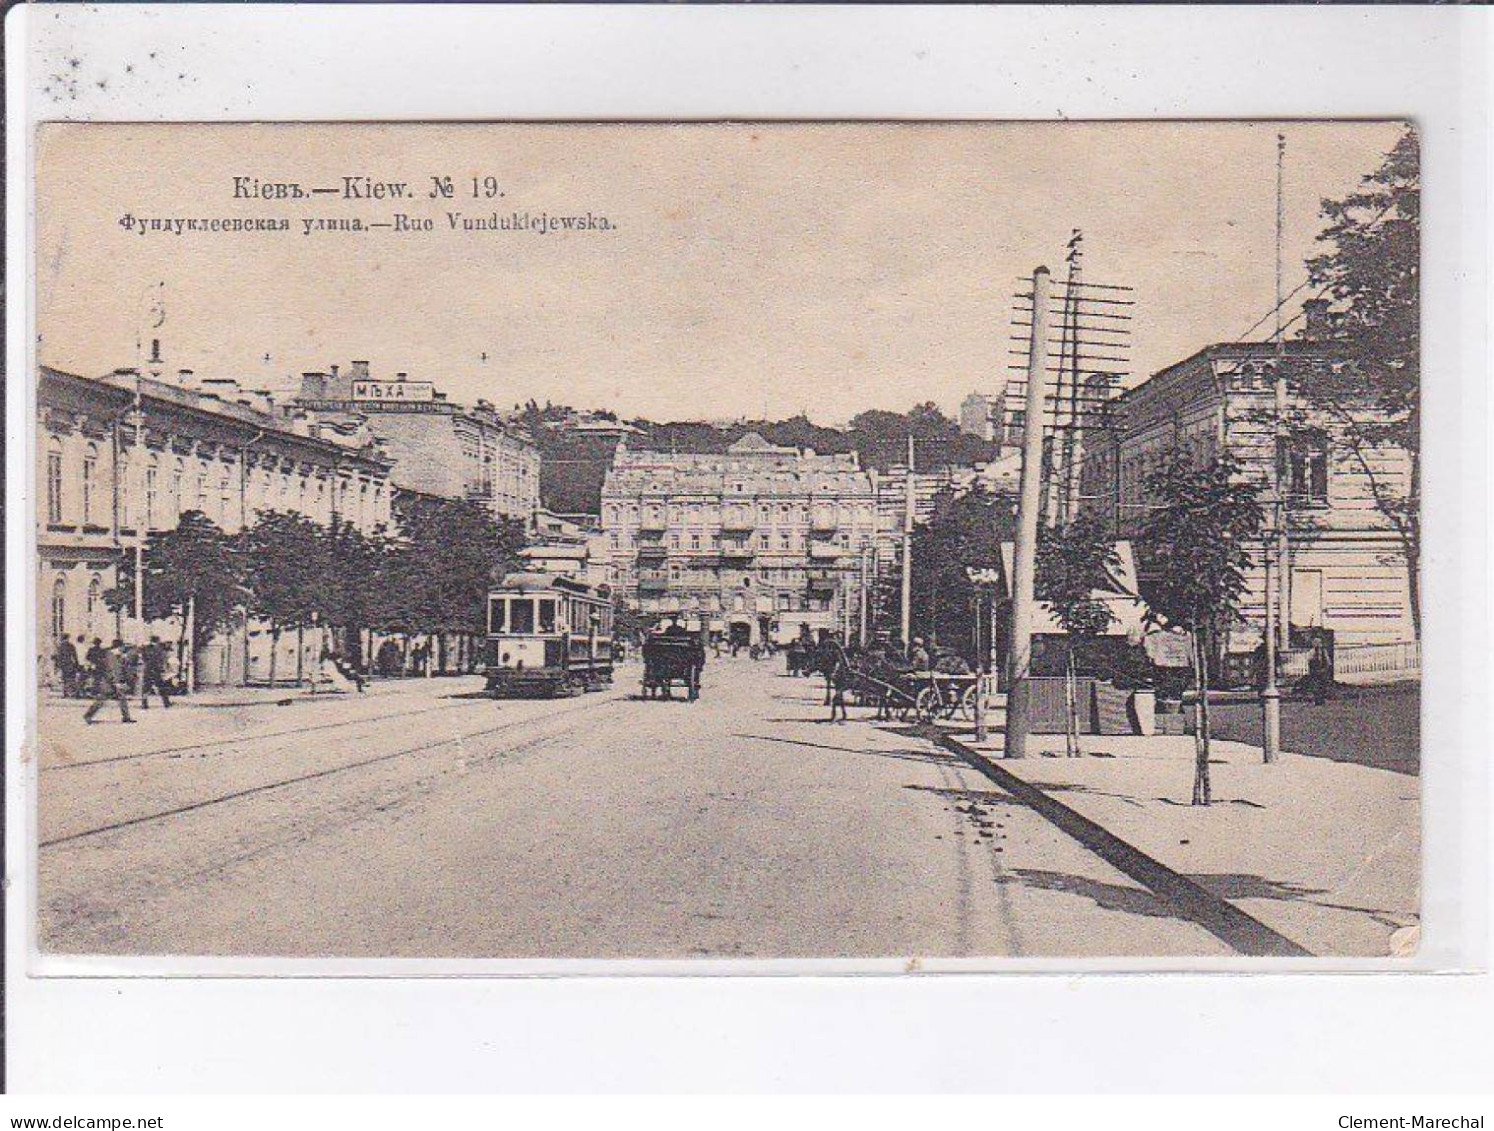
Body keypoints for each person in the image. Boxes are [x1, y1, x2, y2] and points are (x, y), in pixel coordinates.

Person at [83, 639, 135, 725]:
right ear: (119, 646)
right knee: (103, 699)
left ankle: (126, 717)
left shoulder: (114, 655)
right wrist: (115, 682)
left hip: (111, 681)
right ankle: (88, 715)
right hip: (109, 681)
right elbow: (111, 670)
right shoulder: (111, 655)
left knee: (120, 698)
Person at [138, 635, 173, 709]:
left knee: (146, 687)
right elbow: (162, 659)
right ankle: (166, 703)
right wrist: (163, 669)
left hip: (148, 669)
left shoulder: (145, 648)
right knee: (162, 687)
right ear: (157, 640)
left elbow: (144, 658)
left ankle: (144, 703)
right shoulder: (160, 649)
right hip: (157, 670)